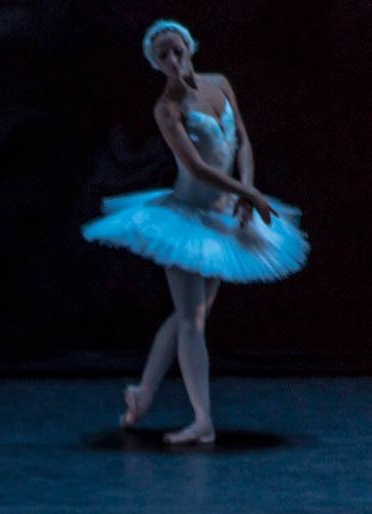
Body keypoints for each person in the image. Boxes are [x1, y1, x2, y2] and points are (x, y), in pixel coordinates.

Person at [82, 20, 308, 444]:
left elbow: (242, 141)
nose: (172, 59)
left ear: (189, 47)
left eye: (176, 50)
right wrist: (246, 192)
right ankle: (203, 419)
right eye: (162, 55)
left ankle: (143, 393)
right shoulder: (167, 108)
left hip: (222, 217)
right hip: (185, 220)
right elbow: (198, 167)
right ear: (156, 64)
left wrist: (246, 191)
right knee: (191, 319)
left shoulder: (219, 83)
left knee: (192, 314)